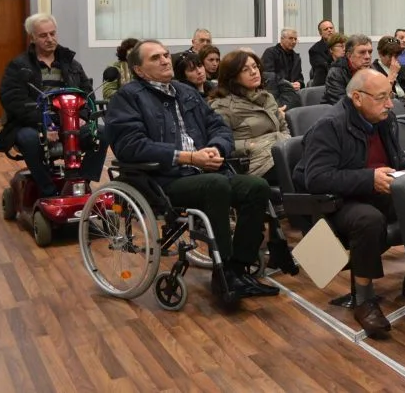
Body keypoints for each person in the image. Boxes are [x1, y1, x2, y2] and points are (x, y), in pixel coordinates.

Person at [105, 40, 278, 307]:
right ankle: (223, 275)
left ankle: (238, 267)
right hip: (164, 179)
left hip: (205, 169)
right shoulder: (127, 98)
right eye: (155, 58)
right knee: (216, 185)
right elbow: (131, 146)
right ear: (139, 69)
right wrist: (188, 157)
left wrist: (216, 148)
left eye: (165, 55)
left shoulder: (186, 92)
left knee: (256, 187)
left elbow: (218, 126)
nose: (165, 60)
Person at [294, 70, 405, 338]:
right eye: (382, 98)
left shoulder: (383, 119)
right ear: (357, 98)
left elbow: (393, 157)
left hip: (377, 190)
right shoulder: (330, 126)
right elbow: (317, 178)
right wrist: (369, 179)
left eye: (390, 96)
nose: (390, 104)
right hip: (339, 201)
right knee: (369, 220)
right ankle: (364, 300)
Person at [0, 13, 108, 197]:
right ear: (32, 38)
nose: (50, 39)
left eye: (52, 33)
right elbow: (13, 100)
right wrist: (44, 124)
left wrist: (82, 116)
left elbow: (87, 95)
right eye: (43, 35)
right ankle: (49, 192)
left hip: (71, 119)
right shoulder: (18, 66)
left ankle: (80, 184)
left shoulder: (72, 64)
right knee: (30, 140)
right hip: (33, 123)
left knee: (102, 133)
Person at [209, 49, 291, 183]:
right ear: (233, 76)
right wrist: (249, 145)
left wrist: (286, 140)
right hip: (258, 165)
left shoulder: (267, 97)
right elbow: (219, 143)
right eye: (245, 70)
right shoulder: (223, 106)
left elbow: (283, 127)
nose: (253, 72)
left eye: (255, 67)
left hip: (282, 153)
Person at [322, 34, 373, 105]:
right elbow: (343, 103)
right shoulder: (336, 73)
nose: (368, 57)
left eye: (370, 52)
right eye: (362, 52)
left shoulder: (372, 70)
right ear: (349, 55)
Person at [371, 35, 405, 102]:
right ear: (380, 54)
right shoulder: (372, 73)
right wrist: (392, 75)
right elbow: (380, 99)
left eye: (396, 56)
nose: (393, 60)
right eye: (390, 56)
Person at [308, 20, 337, 86]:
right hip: (324, 83)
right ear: (320, 33)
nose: (329, 30)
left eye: (331, 28)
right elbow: (324, 67)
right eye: (326, 29)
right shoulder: (314, 50)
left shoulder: (343, 46)